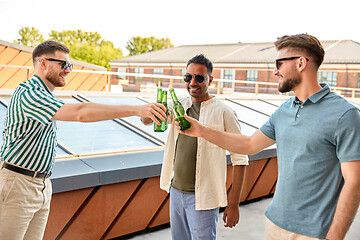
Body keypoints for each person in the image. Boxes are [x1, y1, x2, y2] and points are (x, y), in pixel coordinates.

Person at [178, 34, 360, 240]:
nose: (275, 72)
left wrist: (335, 236)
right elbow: (248, 145)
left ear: (301, 63)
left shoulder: (344, 115)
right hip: (275, 224)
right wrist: (200, 130)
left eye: (279, 64)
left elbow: (354, 181)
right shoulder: (284, 111)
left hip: (315, 233)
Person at [0, 40, 166, 240]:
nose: (68, 70)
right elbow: (80, 112)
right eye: (64, 65)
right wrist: (137, 109)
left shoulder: (47, 96)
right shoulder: (29, 93)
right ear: (43, 63)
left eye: (69, 65)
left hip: (41, 184)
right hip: (18, 183)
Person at [141, 54, 248, 240]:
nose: (193, 82)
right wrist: (154, 109)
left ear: (210, 80)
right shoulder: (178, 106)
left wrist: (233, 204)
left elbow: (241, 159)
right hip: (175, 192)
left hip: (204, 198)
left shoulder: (224, 112)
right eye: (188, 77)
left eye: (199, 77)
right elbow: (145, 121)